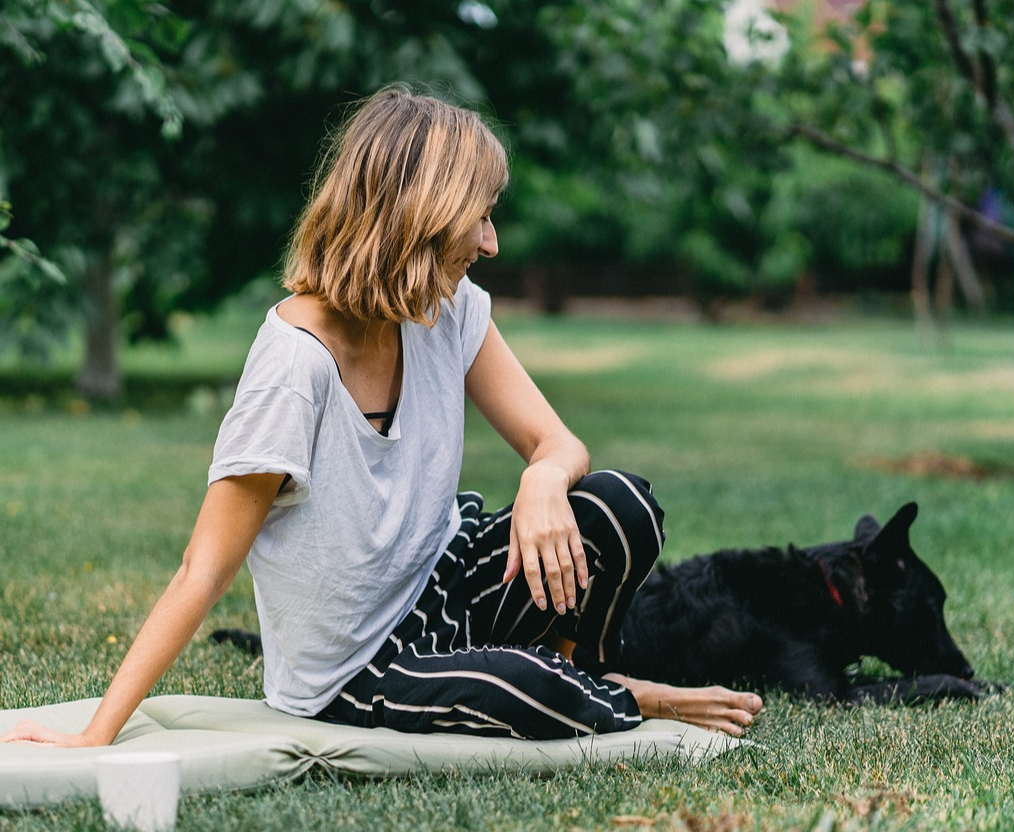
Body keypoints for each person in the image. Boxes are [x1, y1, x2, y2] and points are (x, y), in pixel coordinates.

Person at [1, 86, 761, 747]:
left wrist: (541, 479)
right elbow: (202, 569)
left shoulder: (448, 309)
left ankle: (584, 674)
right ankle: (615, 692)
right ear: (422, 215)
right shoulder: (294, 370)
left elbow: (557, 442)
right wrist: (96, 730)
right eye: (481, 217)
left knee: (617, 506)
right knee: (532, 690)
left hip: (447, 579)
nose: (491, 243)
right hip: (358, 668)